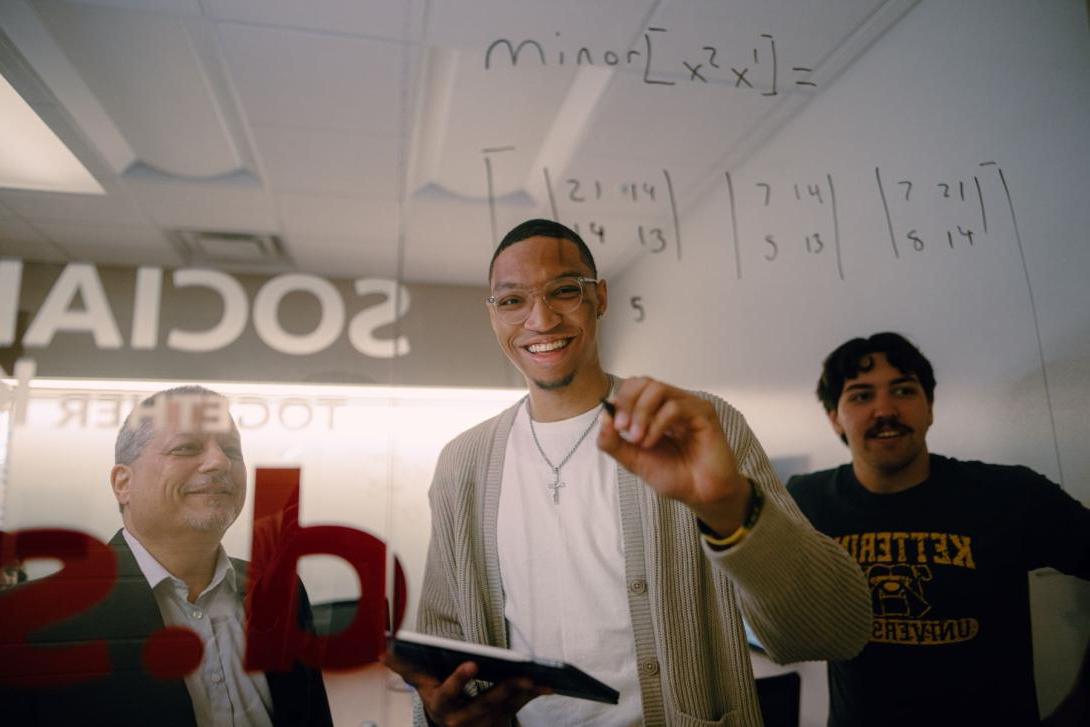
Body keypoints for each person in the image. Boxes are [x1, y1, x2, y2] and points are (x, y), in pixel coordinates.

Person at [386, 218, 871, 726]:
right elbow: (443, 648)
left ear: (599, 298)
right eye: (512, 301)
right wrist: (439, 713)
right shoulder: (463, 462)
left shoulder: (695, 427)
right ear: (493, 316)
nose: (540, 319)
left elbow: (835, 631)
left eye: (564, 291)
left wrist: (729, 509)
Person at [786, 332, 1090, 727]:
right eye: (861, 396)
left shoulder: (1010, 494)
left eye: (903, 390)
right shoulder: (804, 501)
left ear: (929, 407)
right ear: (834, 418)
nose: (885, 410)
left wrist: (1080, 705)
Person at [5, 385, 333, 726]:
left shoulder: (281, 594)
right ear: (123, 483)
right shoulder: (29, 622)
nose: (220, 461)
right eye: (186, 447)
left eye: (232, 450)